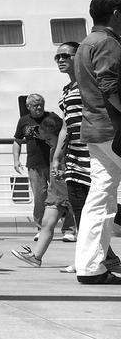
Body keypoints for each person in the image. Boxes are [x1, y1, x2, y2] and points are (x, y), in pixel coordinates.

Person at [47, 41, 120, 273]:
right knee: (81, 204)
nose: (60, 60)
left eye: (65, 56)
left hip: (94, 148)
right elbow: (66, 126)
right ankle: (94, 258)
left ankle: (100, 258)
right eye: (57, 57)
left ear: (78, 58)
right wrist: (58, 156)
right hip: (76, 153)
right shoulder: (68, 90)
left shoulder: (87, 84)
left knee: (97, 201)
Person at [73, 0, 121, 285]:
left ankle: (90, 267)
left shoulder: (84, 45)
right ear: (116, 13)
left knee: (100, 196)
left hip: (93, 129)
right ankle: (92, 266)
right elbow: (110, 86)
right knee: (101, 196)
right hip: (114, 129)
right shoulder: (108, 43)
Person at [13, 94, 73, 239]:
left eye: (41, 104)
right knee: (40, 197)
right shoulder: (23, 121)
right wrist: (16, 160)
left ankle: (69, 230)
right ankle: (41, 228)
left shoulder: (51, 117)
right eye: (35, 105)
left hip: (54, 161)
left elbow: (63, 133)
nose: (39, 107)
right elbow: (17, 141)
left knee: (65, 195)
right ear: (28, 107)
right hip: (35, 163)